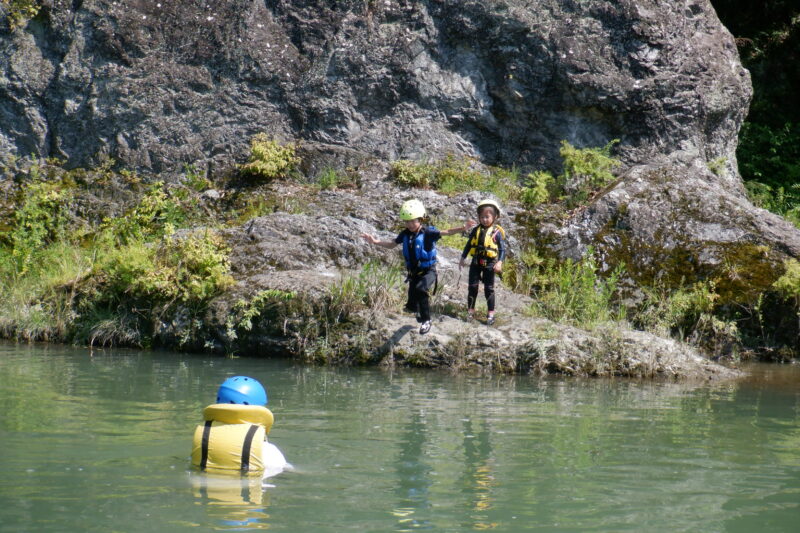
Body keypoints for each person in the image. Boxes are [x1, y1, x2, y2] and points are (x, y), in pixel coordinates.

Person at [361, 198, 475, 334]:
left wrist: (463, 228)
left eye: (412, 221)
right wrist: (375, 242)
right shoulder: (405, 234)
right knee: (411, 303)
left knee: (421, 290)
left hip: (428, 271)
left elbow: (447, 231)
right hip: (413, 273)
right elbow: (392, 244)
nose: (409, 224)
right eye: (407, 221)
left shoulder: (428, 233)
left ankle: (427, 320)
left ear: (420, 219)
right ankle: (416, 311)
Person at [191, 376, 288, 479]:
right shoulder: (267, 450)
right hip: (247, 491)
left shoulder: (204, 439)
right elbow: (284, 469)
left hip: (206, 491)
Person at [459, 198, 506, 325]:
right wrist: (463, 258)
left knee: (488, 289)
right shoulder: (475, 230)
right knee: (472, 287)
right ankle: (470, 311)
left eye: (487, 217)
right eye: (482, 217)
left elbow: (502, 249)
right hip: (476, 262)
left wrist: (499, 262)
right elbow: (469, 245)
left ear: (495, 217)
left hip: (490, 263)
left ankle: (490, 314)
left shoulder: (496, 233)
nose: (484, 219)